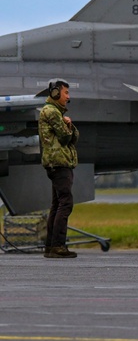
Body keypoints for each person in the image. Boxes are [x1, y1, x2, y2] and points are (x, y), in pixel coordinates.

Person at [38, 79, 80, 258]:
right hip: (59, 162)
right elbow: (65, 137)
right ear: (55, 93)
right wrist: (67, 125)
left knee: (57, 204)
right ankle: (58, 246)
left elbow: (73, 136)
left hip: (56, 162)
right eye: (66, 93)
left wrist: (68, 125)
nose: (68, 97)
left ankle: (51, 246)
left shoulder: (55, 112)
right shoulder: (52, 112)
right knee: (65, 203)